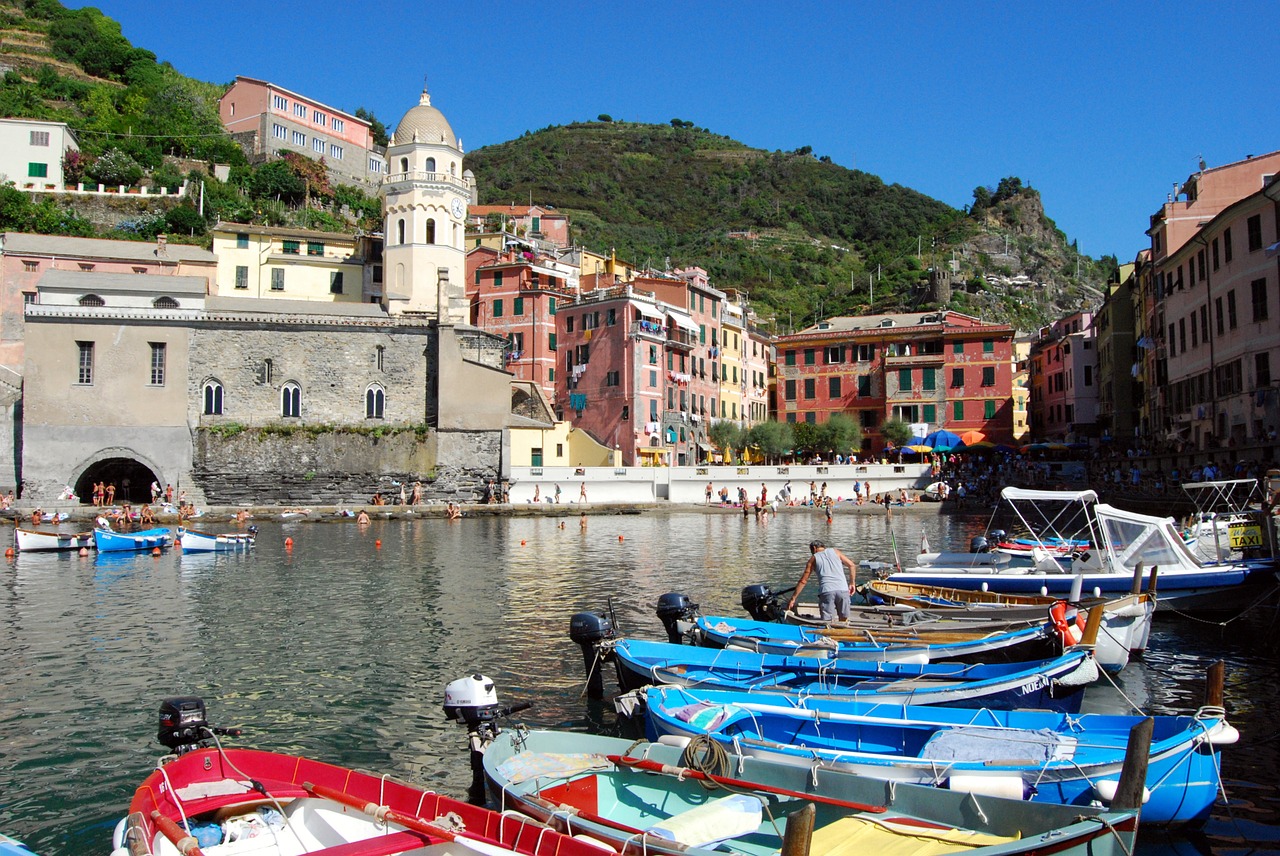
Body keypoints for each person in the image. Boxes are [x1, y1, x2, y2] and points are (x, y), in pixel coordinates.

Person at [787, 540, 857, 622]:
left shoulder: (813, 559)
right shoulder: (835, 551)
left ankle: (828, 633)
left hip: (827, 591)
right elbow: (852, 565)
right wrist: (852, 583)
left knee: (826, 621)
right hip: (843, 589)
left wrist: (793, 598)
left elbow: (803, 581)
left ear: (814, 548)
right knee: (844, 618)